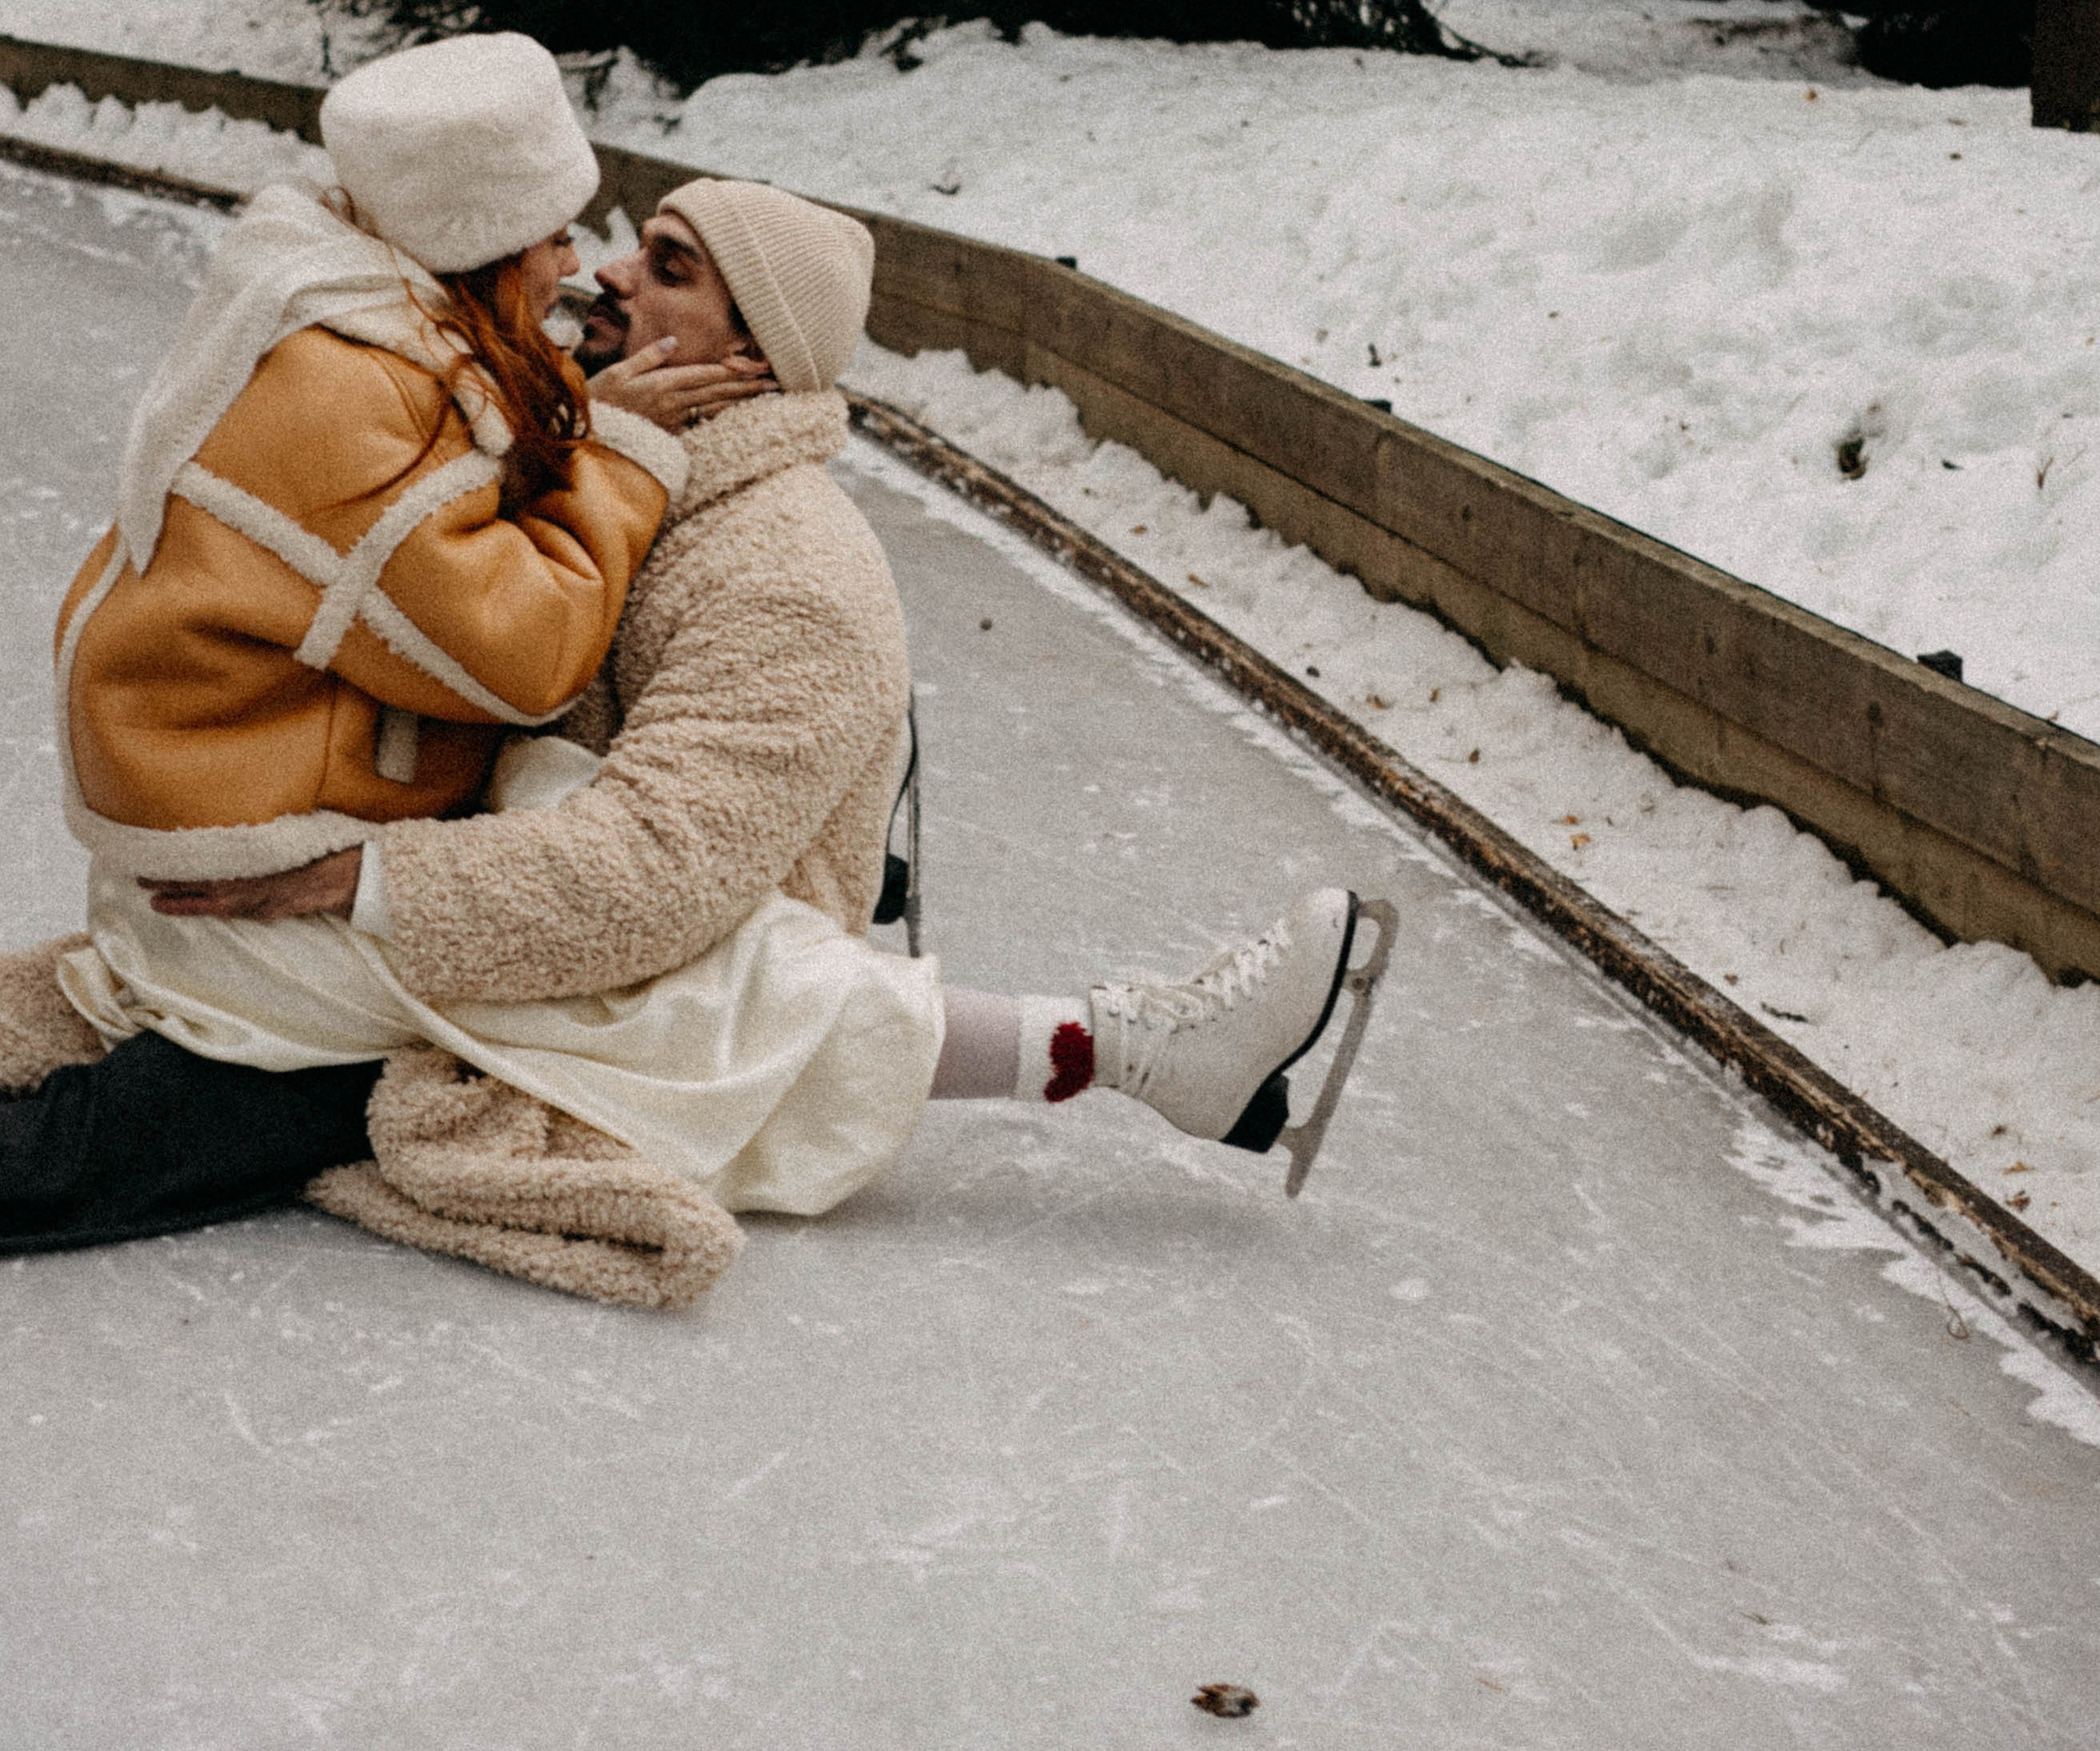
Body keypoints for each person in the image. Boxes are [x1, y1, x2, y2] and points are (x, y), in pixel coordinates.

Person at [113, 178, 1380, 1302]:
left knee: (192, 1081)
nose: (607, 272)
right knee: (200, 994)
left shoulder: (787, 574)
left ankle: (1136, 1044)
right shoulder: (603, 457)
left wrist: (362, 879)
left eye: (669, 270)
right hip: (549, 892)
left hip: (669, 948)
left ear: (752, 362)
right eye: (635, 246)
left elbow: (653, 878)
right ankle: (1134, 1046)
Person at [0, 32, 713, 1241]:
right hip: (241, 852)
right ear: (481, 241)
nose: (575, 266)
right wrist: (623, 453)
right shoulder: (347, 389)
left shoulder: (361, 313)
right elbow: (524, 650)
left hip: (225, 791)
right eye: (552, 234)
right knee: (371, 1078)